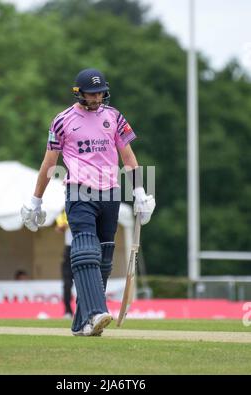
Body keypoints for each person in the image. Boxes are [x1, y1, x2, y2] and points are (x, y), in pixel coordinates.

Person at [21, 68, 155, 336]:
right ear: (79, 93)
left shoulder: (114, 117)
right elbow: (50, 163)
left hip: (111, 193)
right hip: (79, 192)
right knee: (85, 251)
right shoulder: (62, 121)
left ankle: (82, 323)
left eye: (100, 93)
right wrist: (36, 200)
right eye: (92, 94)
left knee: (104, 259)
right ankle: (96, 312)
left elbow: (128, 159)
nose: (97, 98)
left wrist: (140, 192)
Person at [55, 210, 74, 318]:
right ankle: (68, 310)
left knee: (84, 281)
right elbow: (59, 228)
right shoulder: (65, 212)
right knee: (67, 283)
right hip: (69, 249)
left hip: (82, 246)